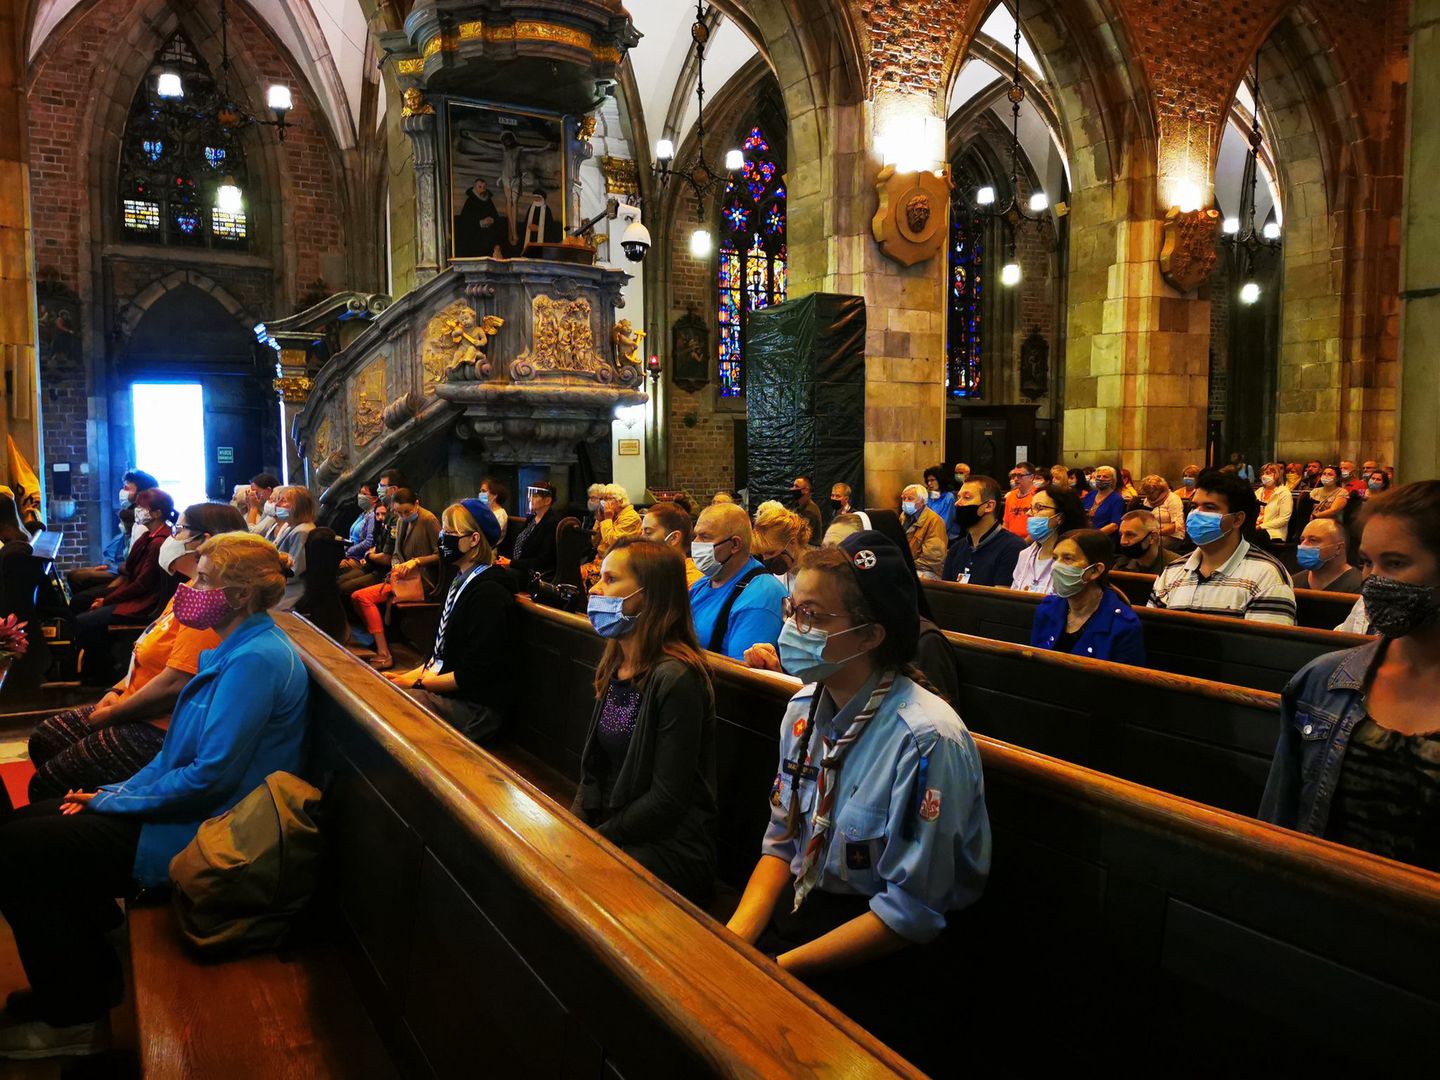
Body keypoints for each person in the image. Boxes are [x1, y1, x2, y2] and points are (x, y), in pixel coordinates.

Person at [0, 533, 307, 1057]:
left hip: (212, 830)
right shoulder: (235, 646)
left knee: (19, 851)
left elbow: (210, 779)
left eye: (203, 580)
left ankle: (73, 1016)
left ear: (237, 596)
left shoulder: (256, 660)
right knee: (22, 825)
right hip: (187, 809)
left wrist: (112, 802)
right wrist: (112, 790)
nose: (189, 588)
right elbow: (171, 760)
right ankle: (86, 980)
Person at [725, 542, 990, 1051]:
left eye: (811, 615)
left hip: (887, 953)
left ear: (870, 634)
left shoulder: (927, 739)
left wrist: (777, 969)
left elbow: (911, 911)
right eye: (792, 609)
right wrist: (733, 941)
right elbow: (782, 844)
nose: (791, 628)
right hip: (804, 907)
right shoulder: (803, 709)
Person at [1259, 482, 1440, 872]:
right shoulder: (1322, 682)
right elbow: (1280, 823)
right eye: (1366, 563)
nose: (1373, 581)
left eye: (1395, 563)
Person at [28, 503, 248, 799]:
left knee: (48, 780)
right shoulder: (190, 587)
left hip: (160, 725)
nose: (172, 537)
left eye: (179, 530)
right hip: (133, 701)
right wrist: (116, 690)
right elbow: (146, 646)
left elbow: (175, 683)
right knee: (45, 738)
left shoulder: (209, 605)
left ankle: (93, 818)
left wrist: (113, 714)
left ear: (204, 541)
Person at [573, 538, 717, 901]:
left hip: (668, 845)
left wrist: (597, 840)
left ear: (648, 595)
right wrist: (574, 826)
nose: (596, 589)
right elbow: (594, 768)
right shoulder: (617, 662)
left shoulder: (677, 677)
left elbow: (666, 801)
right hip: (618, 824)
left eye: (610, 579)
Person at [384, 500, 516, 743]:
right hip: (452, 693)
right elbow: (439, 657)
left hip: (476, 708)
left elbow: (474, 674)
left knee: (394, 708)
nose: (442, 538)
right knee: (385, 691)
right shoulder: (460, 580)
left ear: (474, 539)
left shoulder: (490, 594)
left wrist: (418, 683)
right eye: (443, 530)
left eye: (450, 532)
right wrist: (408, 678)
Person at [1148, 468, 1296, 624]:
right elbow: (1152, 629)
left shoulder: (1267, 576)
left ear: (1237, 519)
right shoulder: (1172, 570)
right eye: (1194, 507)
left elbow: (1263, 639)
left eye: (1209, 508)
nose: (1197, 514)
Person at [74, 488, 177, 685]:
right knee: (82, 605)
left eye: (142, 507)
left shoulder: (158, 542)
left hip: (144, 603)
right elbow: (131, 570)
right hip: (137, 595)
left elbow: (142, 584)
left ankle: (103, 673)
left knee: (84, 621)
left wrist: (107, 600)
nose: (137, 511)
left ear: (157, 513)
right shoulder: (149, 537)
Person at [350, 487, 441, 670]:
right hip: (402, 577)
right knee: (355, 596)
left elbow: (440, 555)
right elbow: (397, 553)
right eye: (399, 512)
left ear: (416, 504)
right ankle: (381, 643)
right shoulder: (400, 521)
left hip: (422, 581)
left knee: (362, 597)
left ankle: (384, 652)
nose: (403, 515)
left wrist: (416, 561)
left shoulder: (428, 520)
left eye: (407, 511)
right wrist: (396, 567)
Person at [1030, 529, 1146, 664]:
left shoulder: (1124, 625)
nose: (1056, 566)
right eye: (1055, 558)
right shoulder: (1047, 609)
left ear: (1095, 570)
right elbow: (1033, 665)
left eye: (1068, 558)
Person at [687, 503, 787, 660]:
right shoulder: (704, 583)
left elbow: (743, 672)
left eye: (705, 537)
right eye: (696, 535)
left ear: (735, 544)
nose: (696, 543)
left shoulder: (760, 596)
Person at [67, 469, 158, 603]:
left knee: (78, 586)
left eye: (127, 488)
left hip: (126, 576)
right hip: (120, 568)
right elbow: (121, 551)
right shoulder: (130, 517)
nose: (122, 492)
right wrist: (110, 563)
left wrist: (108, 595)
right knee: (75, 576)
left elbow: (133, 569)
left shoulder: (142, 525)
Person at [940, 475, 1026, 586]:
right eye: (958, 497)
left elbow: (1002, 595)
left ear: (989, 506)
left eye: (967, 498)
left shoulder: (1012, 547)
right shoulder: (956, 549)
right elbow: (945, 592)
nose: (957, 503)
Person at [1012, 487, 1088, 594]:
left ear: (1060, 517)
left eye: (1039, 507)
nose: (1029, 513)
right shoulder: (1025, 555)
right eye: (1031, 508)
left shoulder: (1074, 560)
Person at [271, 485, 317, 612]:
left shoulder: (302, 531)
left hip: (291, 590)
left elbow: (294, 570)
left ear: (298, 506)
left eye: (283, 501)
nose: (277, 504)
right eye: (278, 500)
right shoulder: (291, 527)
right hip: (284, 585)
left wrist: (268, 579)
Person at [752, 500, 811, 593]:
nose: (766, 559)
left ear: (792, 542)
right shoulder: (780, 575)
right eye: (763, 554)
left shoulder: (817, 576)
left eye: (771, 552)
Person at [506, 483, 560, 580]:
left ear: (547, 500)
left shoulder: (552, 523)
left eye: (535, 496)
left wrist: (511, 563)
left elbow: (543, 560)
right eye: (530, 495)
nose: (530, 499)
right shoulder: (531, 518)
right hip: (518, 567)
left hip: (534, 573)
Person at [642, 501, 703, 586]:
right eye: (642, 531)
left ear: (674, 538)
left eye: (648, 532)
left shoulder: (691, 582)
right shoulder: (654, 572)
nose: (641, 537)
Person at [1294, 518, 1363, 593]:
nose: (1303, 545)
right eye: (1302, 540)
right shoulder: (1292, 583)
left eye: (1313, 540)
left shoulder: (1360, 586)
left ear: (1338, 548)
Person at [900, 484, 947, 579]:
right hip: (907, 565)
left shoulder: (934, 521)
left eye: (910, 499)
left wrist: (906, 565)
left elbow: (933, 558)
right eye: (903, 498)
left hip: (927, 570)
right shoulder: (903, 516)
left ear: (922, 501)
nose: (905, 502)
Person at [1113, 510, 1183, 573]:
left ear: (1153, 537)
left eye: (1130, 535)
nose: (1122, 541)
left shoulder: (1177, 566)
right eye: (1121, 535)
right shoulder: (1121, 564)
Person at [455, 176, 502, 258]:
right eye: (479, 187)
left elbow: (495, 218)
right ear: (475, 187)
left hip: (488, 241)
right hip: (474, 241)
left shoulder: (488, 201)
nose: (482, 189)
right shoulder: (470, 202)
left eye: (484, 187)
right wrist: (481, 222)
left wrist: (492, 220)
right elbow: (465, 222)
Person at [595, 484, 642, 560]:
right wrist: (600, 521)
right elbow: (594, 543)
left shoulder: (631, 518)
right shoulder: (610, 514)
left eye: (608, 499)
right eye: (603, 499)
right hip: (600, 559)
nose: (604, 503)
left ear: (620, 501)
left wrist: (607, 520)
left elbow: (613, 545)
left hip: (616, 562)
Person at [1136, 474, 1185, 547]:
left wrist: (1156, 532)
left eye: (1151, 492)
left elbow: (1177, 525)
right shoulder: (1146, 501)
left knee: (1147, 544)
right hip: (1151, 534)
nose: (1149, 495)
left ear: (1160, 489)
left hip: (1173, 537)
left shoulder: (1173, 498)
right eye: (1147, 492)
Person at [1255, 463, 1294, 542]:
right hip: (1256, 528)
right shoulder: (1258, 492)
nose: (1264, 476)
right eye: (1263, 473)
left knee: (1253, 535)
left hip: (1274, 532)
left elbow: (1284, 519)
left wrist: (1261, 526)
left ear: (1277, 475)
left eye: (1268, 473)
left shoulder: (1284, 493)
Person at [1082, 465, 1126, 536]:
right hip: (1085, 534)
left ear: (1112, 481)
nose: (1101, 479)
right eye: (1098, 476)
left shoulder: (1116, 499)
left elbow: (1114, 525)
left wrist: (1093, 536)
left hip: (1104, 537)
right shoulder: (1090, 495)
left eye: (1105, 477)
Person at [345, 483, 380, 565]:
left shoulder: (374, 515)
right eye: (360, 493)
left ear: (374, 498)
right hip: (351, 555)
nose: (360, 496)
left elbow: (369, 542)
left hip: (360, 559)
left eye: (364, 494)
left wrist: (349, 551)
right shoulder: (364, 513)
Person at [1002, 463, 1037, 539]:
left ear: (1031, 477)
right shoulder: (1010, 496)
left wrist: (1022, 543)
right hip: (1011, 540)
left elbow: (1037, 529)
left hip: (1030, 541)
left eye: (1020, 475)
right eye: (1014, 475)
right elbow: (1006, 523)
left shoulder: (1038, 495)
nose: (1015, 479)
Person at [244, 472, 282, 539]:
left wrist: (253, 508)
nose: (253, 496)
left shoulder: (274, 510)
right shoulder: (265, 509)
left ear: (268, 490)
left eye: (256, 492)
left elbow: (252, 534)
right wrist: (250, 507)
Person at [921, 467, 956, 540]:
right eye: (928, 481)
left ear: (940, 480)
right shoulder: (928, 496)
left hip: (944, 536)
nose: (929, 483)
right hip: (928, 534)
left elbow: (945, 523)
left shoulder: (949, 497)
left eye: (932, 480)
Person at [789, 477, 824, 546]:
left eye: (796, 486)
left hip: (810, 547)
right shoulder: (796, 505)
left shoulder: (810, 510)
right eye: (793, 486)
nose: (793, 489)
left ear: (806, 490)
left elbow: (800, 535)